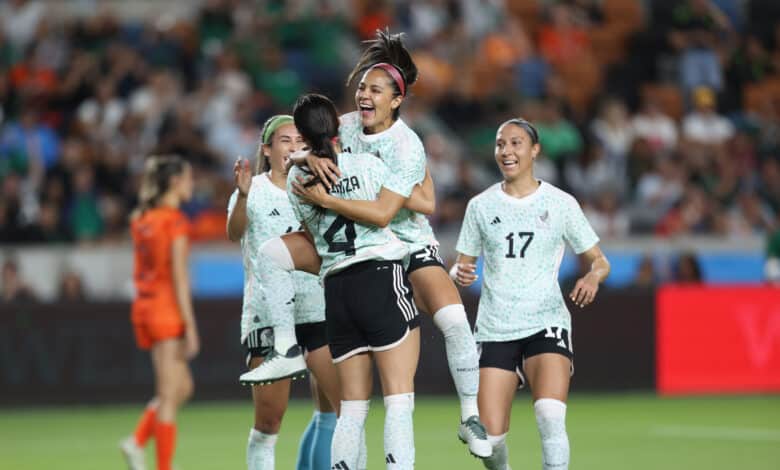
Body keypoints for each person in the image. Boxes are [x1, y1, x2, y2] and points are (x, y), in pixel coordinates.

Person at [283, 29, 492, 458]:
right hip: (368, 249)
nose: (364, 94)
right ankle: (279, 331)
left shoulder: (406, 143)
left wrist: (370, 184)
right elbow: (299, 155)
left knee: (453, 318)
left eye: (375, 89)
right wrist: (309, 157)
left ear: (396, 100)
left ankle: (470, 415)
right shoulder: (344, 127)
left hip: (408, 242)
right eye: (362, 86)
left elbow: (427, 202)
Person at [451, 118, 610, 470]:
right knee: (489, 443)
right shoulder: (480, 206)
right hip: (495, 328)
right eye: (500, 144)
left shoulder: (560, 203)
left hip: (546, 321)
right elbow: (461, 266)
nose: (506, 151)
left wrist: (593, 278)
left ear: (535, 150)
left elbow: (600, 261)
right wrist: (457, 273)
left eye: (515, 143)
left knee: (550, 415)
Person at [290, 93, 420, 469]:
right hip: (379, 275)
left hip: (335, 288)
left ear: (301, 133)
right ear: (337, 124)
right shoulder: (368, 165)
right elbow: (392, 211)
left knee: (352, 408)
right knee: (398, 398)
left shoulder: (297, 181)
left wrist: (305, 159)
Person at [227, 115, 340, 470]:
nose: (293, 147)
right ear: (267, 149)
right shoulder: (254, 189)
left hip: (317, 310)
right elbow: (234, 233)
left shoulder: (315, 186)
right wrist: (243, 197)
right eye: (284, 141)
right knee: (269, 423)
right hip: (267, 315)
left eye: (299, 141)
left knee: (341, 410)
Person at [120, 155, 199, 470]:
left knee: (182, 387)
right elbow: (180, 277)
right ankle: (163, 466)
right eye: (189, 179)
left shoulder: (142, 219)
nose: (192, 185)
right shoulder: (174, 221)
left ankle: (136, 440)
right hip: (166, 309)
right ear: (175, 182)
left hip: (145, 306)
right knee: (169, 395)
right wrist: (190, 326)